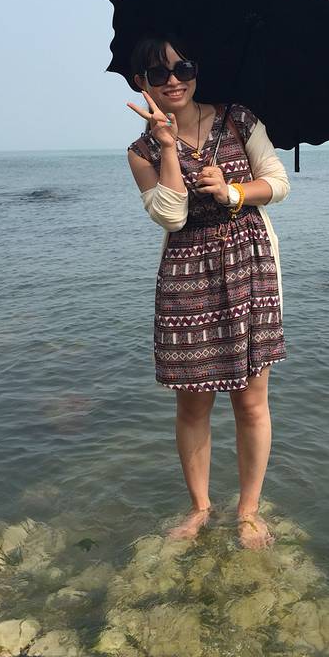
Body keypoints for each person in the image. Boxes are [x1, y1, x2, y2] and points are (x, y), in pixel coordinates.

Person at [126, 34, 290, 550]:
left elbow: (278, 183)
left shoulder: (239, 119)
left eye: (183, 68)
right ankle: (200, 507)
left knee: (251, 401)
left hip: (249, 263)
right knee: (193, 404)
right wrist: (168, 146)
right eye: (159, 73)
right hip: (187, 273)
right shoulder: (141, 151)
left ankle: (248, 510)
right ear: (141, 83)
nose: (173, 80)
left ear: (197, 70)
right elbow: (171, 215)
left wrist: (232, 191)